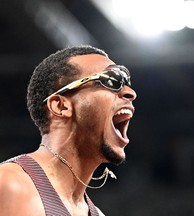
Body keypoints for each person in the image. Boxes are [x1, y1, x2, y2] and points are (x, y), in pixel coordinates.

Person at [0, 45, 137, 215]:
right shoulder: (11, 184)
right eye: (110, 80)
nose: (130, 93)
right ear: (60, 106)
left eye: (127, 83)